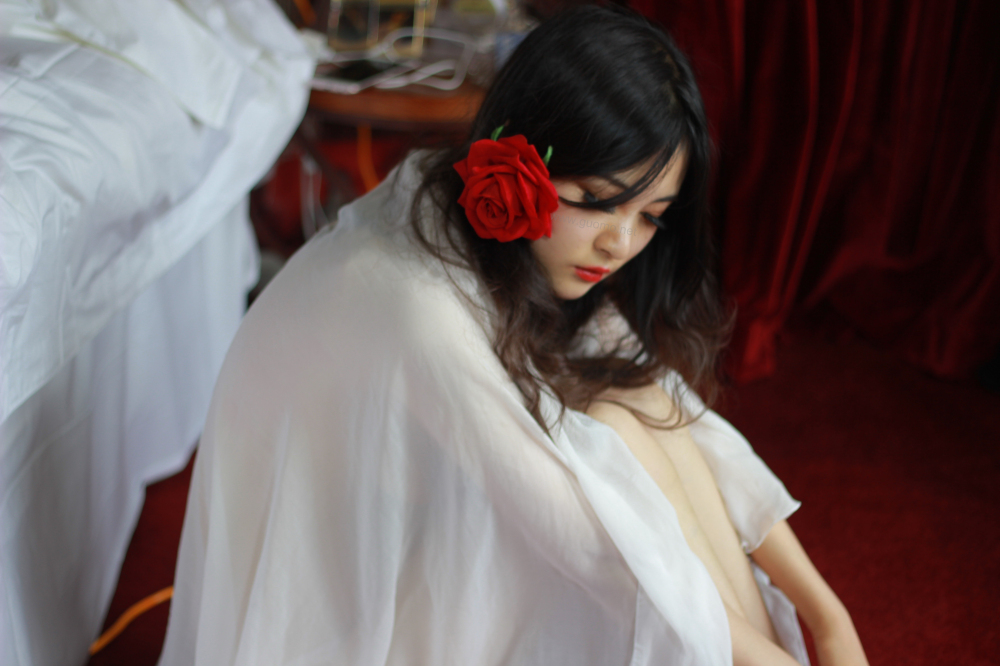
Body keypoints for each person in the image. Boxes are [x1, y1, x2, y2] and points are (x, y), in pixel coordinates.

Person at [159, 6, 868, 665]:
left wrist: (829, 618)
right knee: (615, 467)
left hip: (421, 516)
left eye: (652, 215)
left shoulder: (488, 219)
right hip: (343, 595)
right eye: (596, 202)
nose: (621, 242)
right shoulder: (420, 304)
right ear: (519, 160)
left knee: (635, 410)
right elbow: (592, 547)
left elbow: (667, 402)